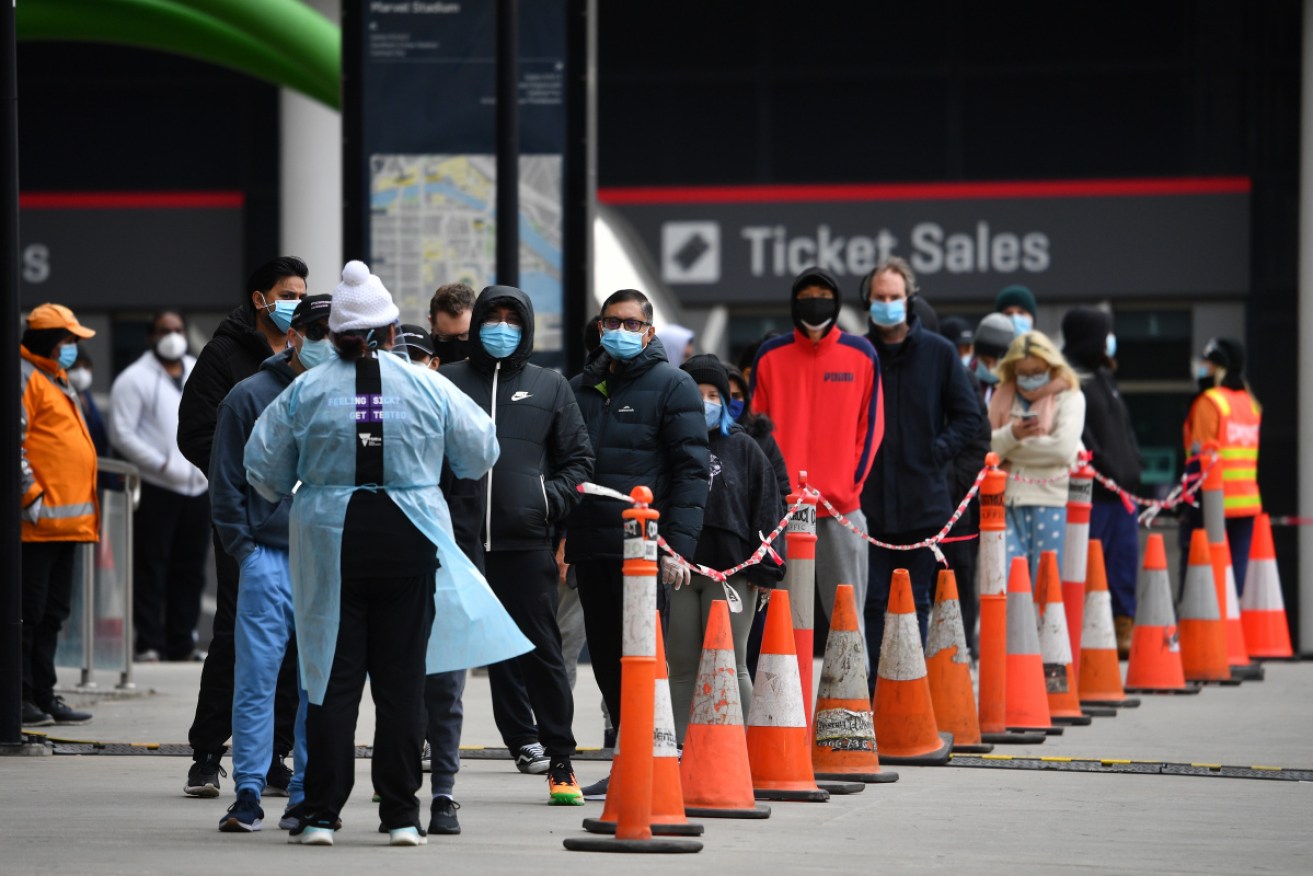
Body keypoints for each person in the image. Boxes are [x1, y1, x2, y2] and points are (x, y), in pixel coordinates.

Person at [245, 261, 527, 847]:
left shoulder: (307, 389)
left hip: (331, 543)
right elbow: (481, 453)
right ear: (394, 331)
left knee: (328, 678)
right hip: (410, 539)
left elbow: (263, 470)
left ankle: (320, 813)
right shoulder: (429, 385)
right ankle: (401, 814)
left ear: (336, 333)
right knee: (402, 683)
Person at [442, 285, 594, 804]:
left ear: (527, 327)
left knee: (542, 654)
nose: (501, 326)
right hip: (456, 546)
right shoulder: (446, 382)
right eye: (492, 316)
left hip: (524, 544)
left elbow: (579, 464)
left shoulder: (550, 386)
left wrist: (544, 501)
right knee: (434, 653)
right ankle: (415, 759)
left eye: (512, 318)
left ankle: (560, 759)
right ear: (478, 321)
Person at [565, 289, 709, 795]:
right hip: (591, 546)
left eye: (631, 323)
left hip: (645, 554)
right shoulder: (580, 387)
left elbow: (693, 473)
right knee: (606, 662)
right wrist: (563, 538)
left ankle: (653, 762)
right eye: (611, 323)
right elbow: (565, 470)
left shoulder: (674, 386)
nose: (620, 331)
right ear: (600, 328)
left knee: (643, 659)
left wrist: (679, 547)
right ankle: (633, 758)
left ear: (648, 330)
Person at [177, 256, 307, 798]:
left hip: (303, 524)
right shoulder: (225, 355)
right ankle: (208, 754)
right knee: (235, 636)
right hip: (248, 523)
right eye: (287, 293)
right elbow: (196, 434)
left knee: (294, 642)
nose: (296, 302)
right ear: (260, 299)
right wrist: (248, 482)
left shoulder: (308, 354)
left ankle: (274, 753)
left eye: (303, 292)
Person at [209, 294, 333, 833]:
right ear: (295, 334)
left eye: (337, 331)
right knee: (255, 680)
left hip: (326, 558)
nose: (328, 341)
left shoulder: (347, 394)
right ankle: (249, 792)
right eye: (318, 331)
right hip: (268, 557)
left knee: (318, 686)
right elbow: (226, 480)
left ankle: (305, 793)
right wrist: (244, 549)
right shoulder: (248, 395)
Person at [750, 266, 882, 640]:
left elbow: (871, 427)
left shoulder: (861, 354)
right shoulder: (770, 356)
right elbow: (756, 429)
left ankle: (853, 699)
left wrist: (848, 484)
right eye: (806, 297)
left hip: (842, 507)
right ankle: (782, 699)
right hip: (785, 509)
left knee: (847, 616)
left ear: (837, 303)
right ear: (794, 303)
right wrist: (772, 493)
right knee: (782, 622)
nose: (814, 305)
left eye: (823, 298)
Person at [859, 258, 982, 656]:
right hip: (869, 505)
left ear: (909, 300)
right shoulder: (859, 353)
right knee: (874, 601)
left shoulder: (940, 353)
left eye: (895, 297)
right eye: (880, 297)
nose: (887, 304)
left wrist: (936, 452)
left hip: (924, 502)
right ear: (868, 300)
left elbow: (969, 417)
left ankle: (911, 695)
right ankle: (878, 694)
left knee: (916, 602)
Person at [669, 354, 784, 743]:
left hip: (733, 574)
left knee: (732, 665)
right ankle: (682, 751)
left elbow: (768, 509)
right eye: (695, 393)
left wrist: (764, 571)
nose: (705, 401)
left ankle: (754, 753)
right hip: (681, 572)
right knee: (682, 666)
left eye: (713, 394)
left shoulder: (745, 447)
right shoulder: (666, 446)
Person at [109, 311, 210, 663]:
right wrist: (161, 464)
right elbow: (121, 433)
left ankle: (182, 641)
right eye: (165, 331)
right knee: (152, 567)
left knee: (190, 568)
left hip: (197, 486)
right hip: (156, 486)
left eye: (179, 330)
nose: (173, 336)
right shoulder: (134, 379)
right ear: (151, 336)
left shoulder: (199, 368)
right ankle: (149, 641)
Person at [19, 304, 99, 728]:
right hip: (36, 525)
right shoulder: (25, 377)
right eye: (68, 341)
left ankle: (44, 694)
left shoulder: (55, 377)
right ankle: (22, 696)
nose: (72, 349)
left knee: (51, 615)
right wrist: (30, 498)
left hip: (64, 524)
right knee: (27, 616)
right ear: (49, 341)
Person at [1062, 307, 1143, 655]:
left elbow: (1124, 430)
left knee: (1123, 565)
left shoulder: (1105, 377)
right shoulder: (1069, 378)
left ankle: (1122, 631)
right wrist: (1107, 470)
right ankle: (1090, 635)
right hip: (1094, 494)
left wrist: (1133, 466)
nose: (1110, 341)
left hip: (1123, 494)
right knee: (1092, 568)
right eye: (1104, 333)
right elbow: (1083, 435)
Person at [988, 331, 1086, 575]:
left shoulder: (1070, 396)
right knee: (1007, 584)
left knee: (1046, 589)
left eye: (1036, 372)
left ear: (1052, 366)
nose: (1030, 379)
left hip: (1051, 501)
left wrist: (1008, 446)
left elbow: (1062, 449)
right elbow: (986, 448)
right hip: (1005, 501)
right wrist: (1013, 434)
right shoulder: (1002, 395)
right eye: (1023, 373)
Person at [1182, 336, 1262, 590]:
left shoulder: (1211, 401)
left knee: (1202, 581)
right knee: (1233, 583)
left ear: (1219, 367)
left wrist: (1186, 502)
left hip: (1212, 504)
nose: (1202, 366)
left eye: (1207, 362)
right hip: (1246, 504)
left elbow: (1199, 457)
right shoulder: (1250, 404)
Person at [725, 363, 789, 498]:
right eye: (726, 396)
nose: (732, 402)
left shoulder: (761, 435)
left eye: (737, 396)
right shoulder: (703, 436)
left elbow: (781, 490)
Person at [970, 313, 1016, 406]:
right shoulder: (967, 380)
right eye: (985, 361)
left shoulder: (1016, 386)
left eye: (996, 363)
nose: (990, 368)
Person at [428, 282, 476, 365]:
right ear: (431, 322)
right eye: (445, 337)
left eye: (465, 336)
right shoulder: (422, 360)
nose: (456, 349)